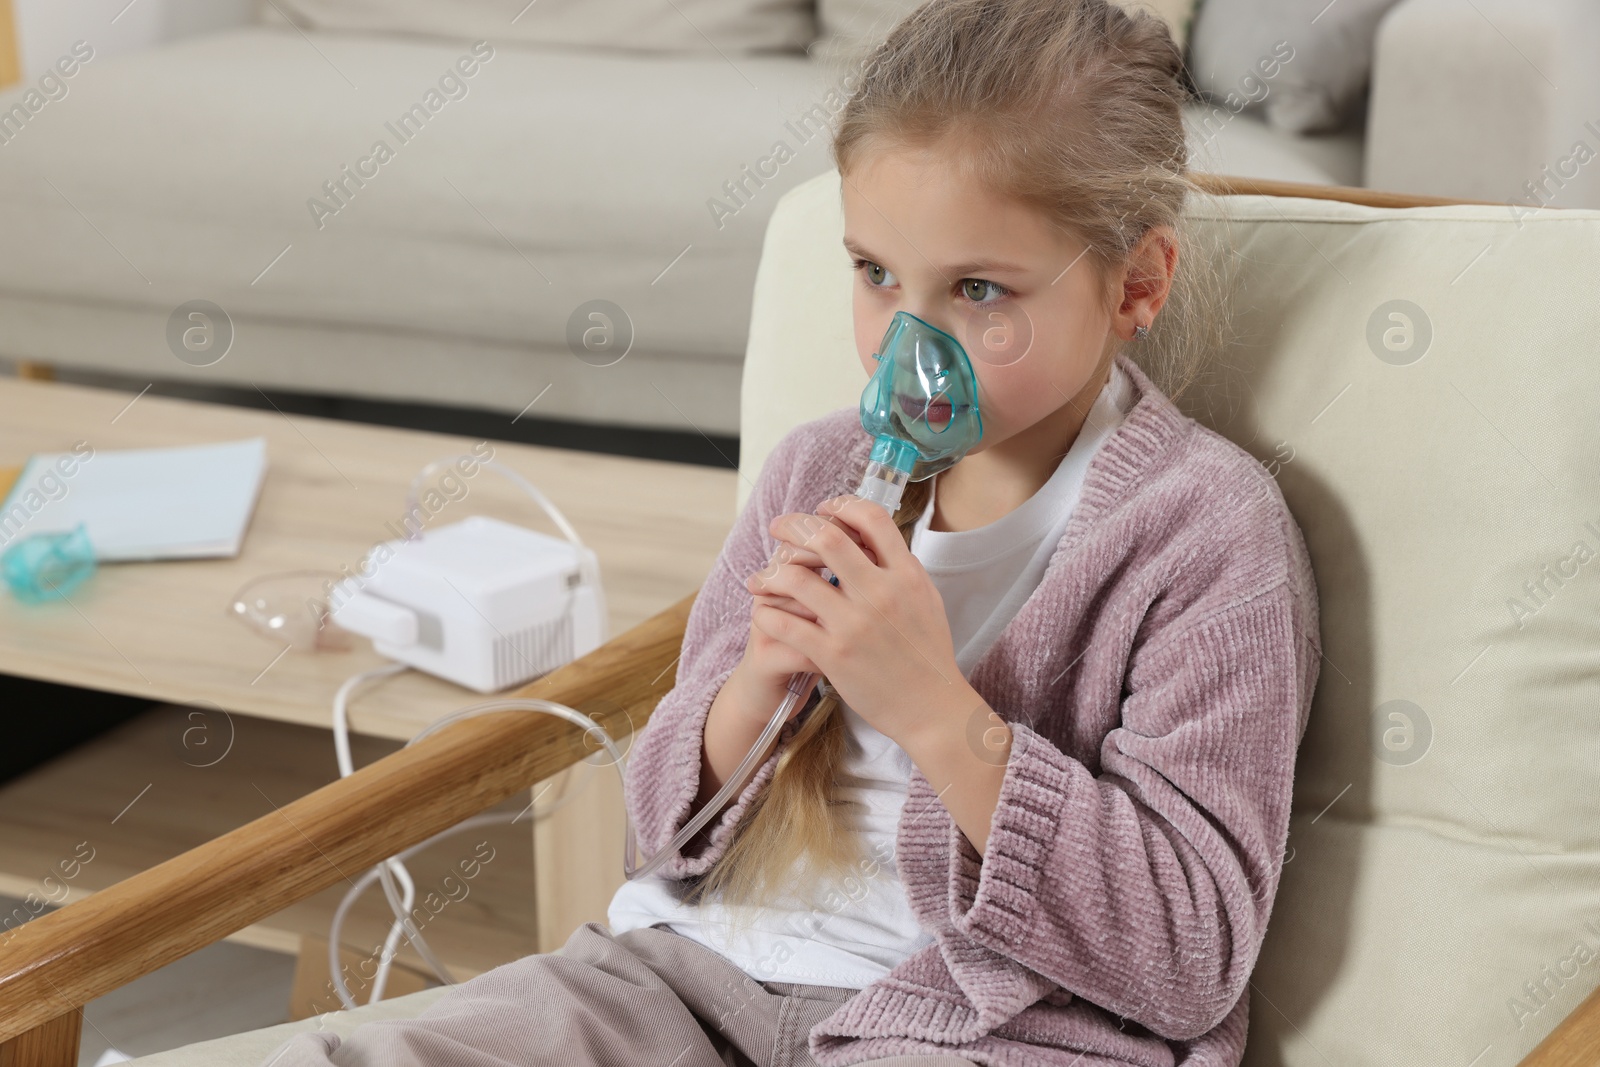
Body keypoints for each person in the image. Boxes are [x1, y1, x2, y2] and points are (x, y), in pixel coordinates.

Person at [263, 0, 1320, 1063]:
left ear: (1135, 282)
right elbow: (664, 843)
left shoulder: (1202, 532)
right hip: (686, 975)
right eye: (874, 274)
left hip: (987, 1023)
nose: (906, 343)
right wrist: (757, 684)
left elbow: (1184, 955)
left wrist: (934, 706)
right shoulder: (815, 471)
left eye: (978, 289)